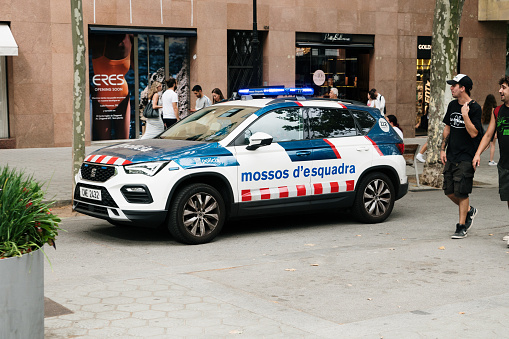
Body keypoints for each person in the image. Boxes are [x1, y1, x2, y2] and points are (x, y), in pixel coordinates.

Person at [440, 74, 482, 239]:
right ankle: (469, 210)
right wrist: (443, 149)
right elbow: (447, 128)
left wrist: (465, 115)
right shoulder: (451, 105)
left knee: (462, 192)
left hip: (466, 156)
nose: (451, 88)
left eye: (454, 85)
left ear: (462, 87)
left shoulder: (475, 108)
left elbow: (474, 133)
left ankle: (461, 226)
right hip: (451, 155)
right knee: (449, 191)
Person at [473, 76, 509, 246]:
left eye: (503, 87)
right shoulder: (497, 111)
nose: (500, 91)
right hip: (505, 163)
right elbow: (488, 135)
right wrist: (478, 153)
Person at [90, 34, 133, 140]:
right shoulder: (98, 39)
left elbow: (135, 66)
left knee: (123, 143)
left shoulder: (130, 38)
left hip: (121, 97)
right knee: (102, 143)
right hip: (101, 98)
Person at [481, 94, 498, 165]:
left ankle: (476, 155)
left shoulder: (482, 108)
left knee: (483, 144)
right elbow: (496, 121)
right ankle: (491, 160)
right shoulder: (494, 109)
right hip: (491, 127)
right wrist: (496, 132)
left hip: (484, 126)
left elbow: (481, 118)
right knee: (492, 145)